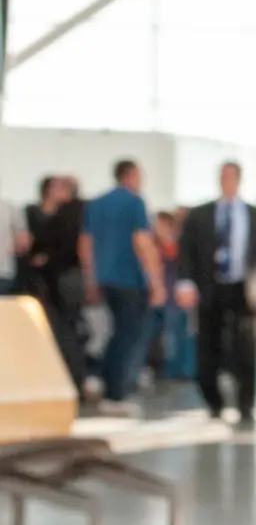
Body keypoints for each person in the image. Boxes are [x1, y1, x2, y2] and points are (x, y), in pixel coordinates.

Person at [172, 159, 256, 425]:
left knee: (245, 347)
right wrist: (185, 283)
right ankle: (213, 401)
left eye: (231, 176)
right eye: (223, 176)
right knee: (208, 346)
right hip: (210, 288)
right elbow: (186, 251)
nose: (227, 181)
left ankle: (246, 403)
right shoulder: (200, 214)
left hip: (243, 289)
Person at [83, 160, 158, 405]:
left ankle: (103, 381)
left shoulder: (96, 204)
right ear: (130, 175)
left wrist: (91, 279)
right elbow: (142, 241)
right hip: (130, 279)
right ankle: (115, 391)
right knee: (128, 336)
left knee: (115, 332)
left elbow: (86, 244)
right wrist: (156, 281)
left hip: (105, 279)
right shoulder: (135, 202)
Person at [18, 174, 96, 402]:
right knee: (60, 330)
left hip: (62, 279)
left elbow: (69, 246)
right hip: (46, 282)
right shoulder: (36, 212)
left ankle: (73, 381)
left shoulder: (72, 213)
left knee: (67, 330)